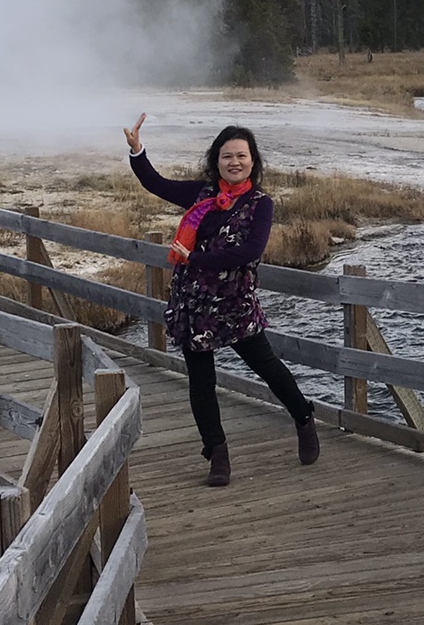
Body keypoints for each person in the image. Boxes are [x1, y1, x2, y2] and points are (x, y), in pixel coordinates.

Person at [123, 113, 319, 486]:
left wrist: (193, 258)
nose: (235, 162)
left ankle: (304, 418)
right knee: (201, 381)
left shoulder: (261, 204)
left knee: (268, 367)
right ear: (217, 162)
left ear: (253, 161)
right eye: (227, 156)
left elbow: (247, 253)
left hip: (234, 305)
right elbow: (157, 184)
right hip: (194, 304)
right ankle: (217, 455)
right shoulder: (201, 195)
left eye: (242, 156)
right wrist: (137, 151)